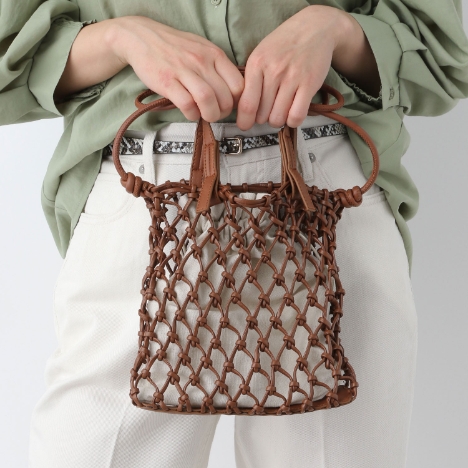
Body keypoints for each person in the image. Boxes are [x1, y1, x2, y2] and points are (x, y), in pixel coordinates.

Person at [1, 1, 467, 467]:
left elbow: (442, 58)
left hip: (326, 205)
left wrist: (336, 31)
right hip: (148, 204)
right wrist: (118, 39)